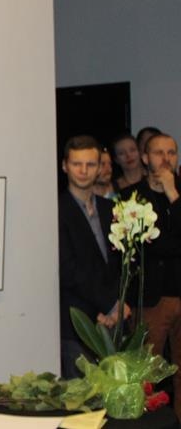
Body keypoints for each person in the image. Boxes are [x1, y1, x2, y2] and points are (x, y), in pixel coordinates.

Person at [121, 133, 181, 418]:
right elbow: (154, 245)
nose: (166, 159)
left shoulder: (179, 193)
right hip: (151, 298)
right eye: (159, 153)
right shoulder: (132, 197)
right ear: (145, 158)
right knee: (147, 373)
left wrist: (173, 195)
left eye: (172, 153)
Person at [58, 135, 122, 378]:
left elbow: (121, 264)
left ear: (100, 167)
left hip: (114, 320)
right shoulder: (57, 210)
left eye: (91, 164)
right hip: (77, 323)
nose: (83, 171)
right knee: (81, 396)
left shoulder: (110, 209)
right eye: (77, 164)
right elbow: (68, 270)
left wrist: (116, 304)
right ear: (65, 166)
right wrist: (107, 304)